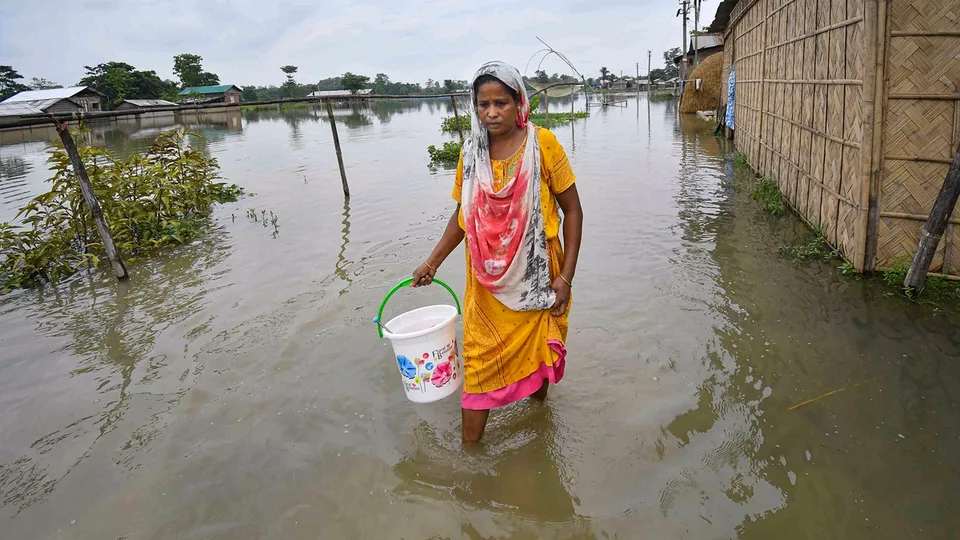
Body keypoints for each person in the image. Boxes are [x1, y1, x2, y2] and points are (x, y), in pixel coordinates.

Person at [411, 61, 583, 442]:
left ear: (518, 102)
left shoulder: (544, 145)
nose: (491, 112)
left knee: (538, 354)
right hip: (486, 284)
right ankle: (471, 455)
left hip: (539, 276)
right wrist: (432, 262)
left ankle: (541, 429)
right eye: (483, 104)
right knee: (478, 363)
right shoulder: (471, 153)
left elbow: (573, 210)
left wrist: (566, 277)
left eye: (501, 103)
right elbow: (463, 216)